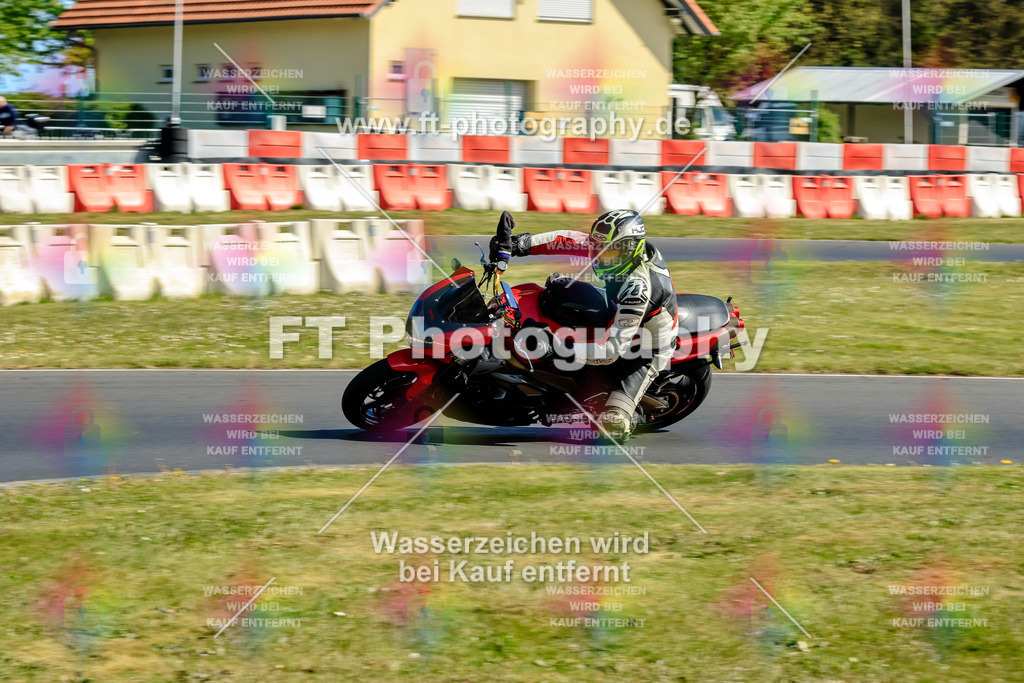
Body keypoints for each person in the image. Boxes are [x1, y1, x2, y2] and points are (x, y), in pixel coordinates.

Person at [491, 210, 679, 439]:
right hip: (618, 311)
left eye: (608, 251)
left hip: (646, 346)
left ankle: (627, 414)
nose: (600, 256)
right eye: (597, 248)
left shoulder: (638, 289)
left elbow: (611, 351)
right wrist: (518, 244)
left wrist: (557, 347)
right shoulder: (611, 248)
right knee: (557, 291)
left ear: (630, 249)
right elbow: (564, 240)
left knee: (612, 425)